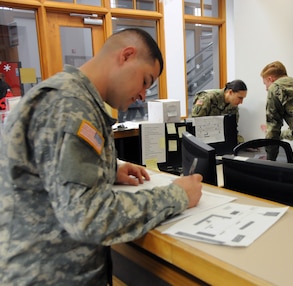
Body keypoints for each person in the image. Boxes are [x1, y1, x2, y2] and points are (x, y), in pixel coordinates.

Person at [0, 28, 203, 285]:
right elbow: (87, 217)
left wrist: (108, 167)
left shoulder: (71, 96)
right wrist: (177, 195)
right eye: (145, 80)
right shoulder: (70, 104)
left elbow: (49, 165)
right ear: (126, 56)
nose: (143, 95)